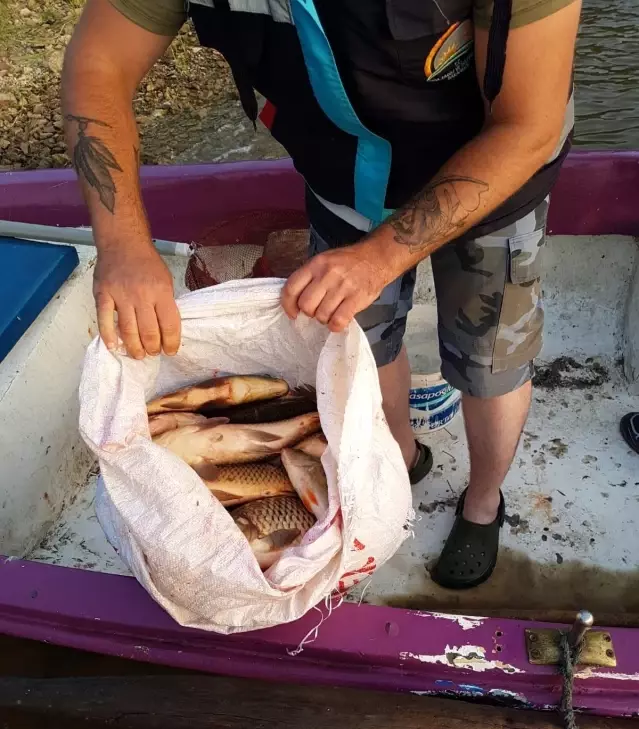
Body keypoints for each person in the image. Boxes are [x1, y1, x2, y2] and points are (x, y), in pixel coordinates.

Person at [62, 0, 582, 589]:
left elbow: (527, 126)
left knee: (490, 361)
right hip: (345, 180)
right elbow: (99, 63)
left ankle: (484, 502)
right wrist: (125, 243)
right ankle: (402, 462)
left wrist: (380, 259)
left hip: (493, 188)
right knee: (360, 343)